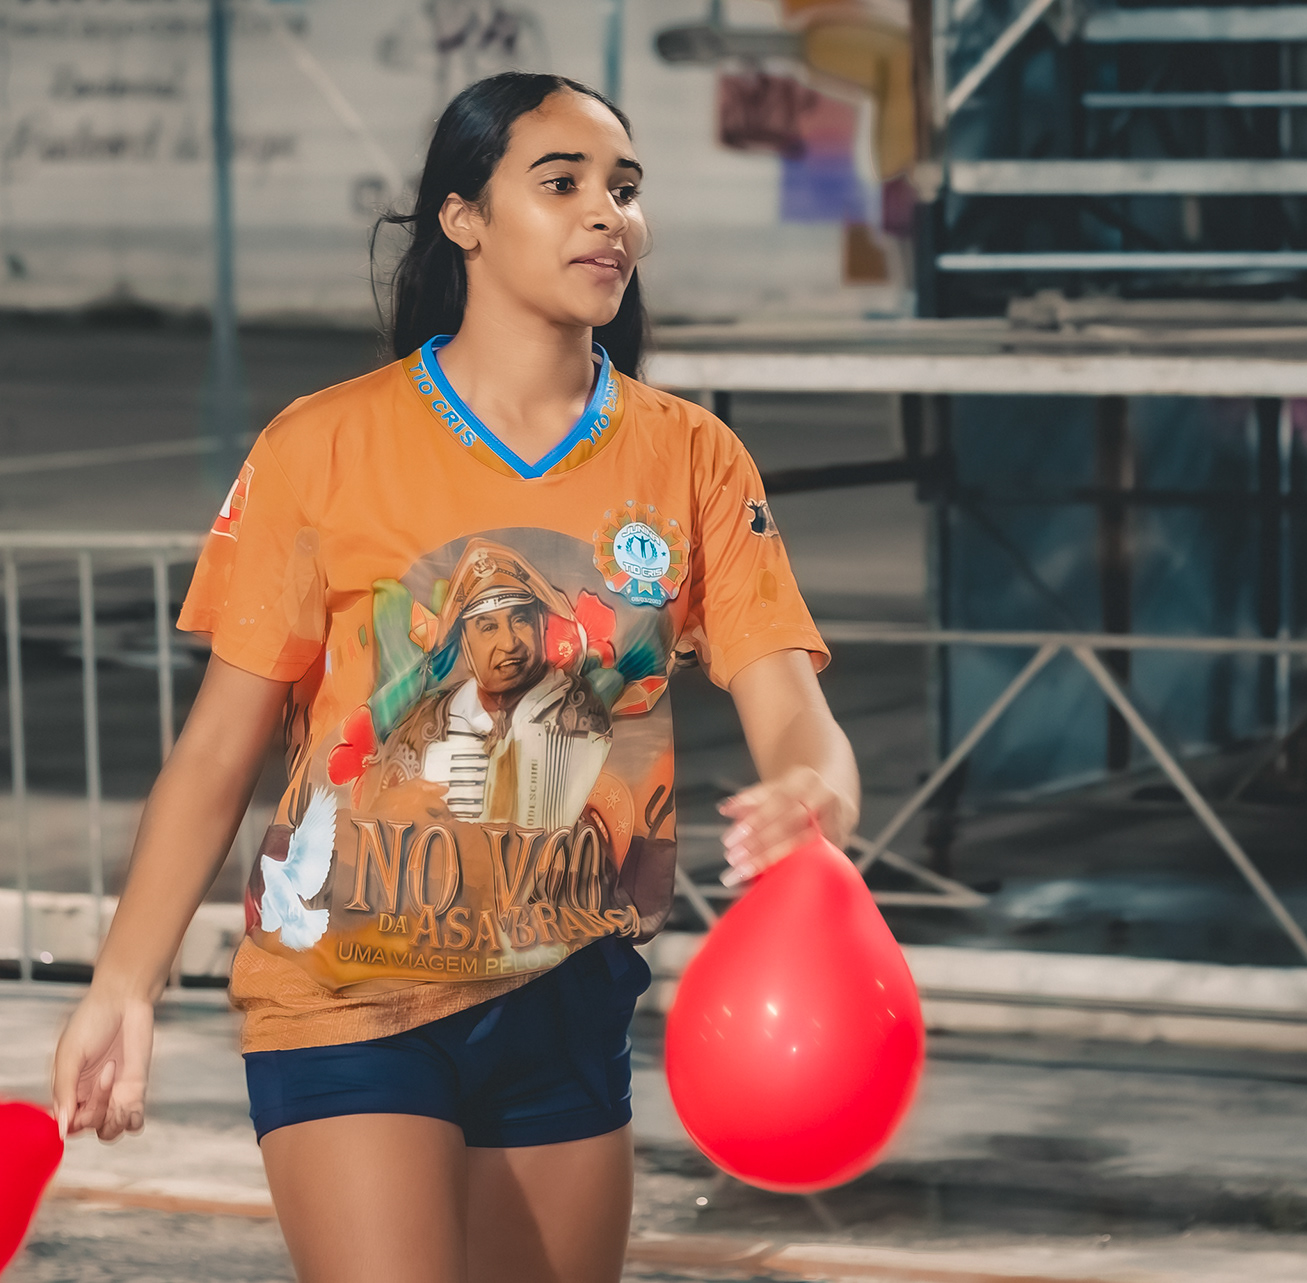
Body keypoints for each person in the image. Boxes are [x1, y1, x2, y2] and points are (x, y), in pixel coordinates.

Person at [51, 71, 862, 1283]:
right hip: (346, 992)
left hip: (570, 990)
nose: (609, 214)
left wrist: (816, 786)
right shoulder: (321, 445)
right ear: (463, 217)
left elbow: (790, 700)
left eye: (625, 188)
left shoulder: (692, 456)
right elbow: (217, 747)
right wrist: (125, 982)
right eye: (563, 183)